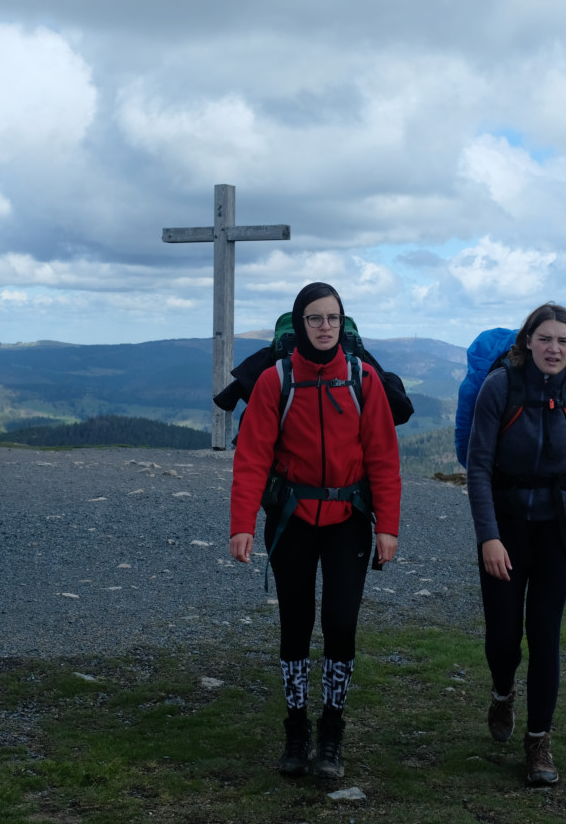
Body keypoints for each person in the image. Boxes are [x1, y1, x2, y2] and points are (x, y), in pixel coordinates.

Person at [229, 282, 401, 780]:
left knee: (342, 624)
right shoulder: (274, 381)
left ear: (343, 324)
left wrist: (387, 527)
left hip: (349, 521)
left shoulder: (363, 378)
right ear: (299, 324)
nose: (325, 327)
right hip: (292, 522)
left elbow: (384, 460)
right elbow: (253, 458)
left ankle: (332, 729)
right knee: (296, 624)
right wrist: (242, 525)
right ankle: (296, 728)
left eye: (333, 319)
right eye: (314, 318)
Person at [465, 303, 566, 786]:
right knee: (503, 638)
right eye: (545, 339)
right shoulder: (500, 387)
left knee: (545, 635)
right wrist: (488, 536)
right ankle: (501, 690)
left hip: (559, 526)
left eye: (563, 341)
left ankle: (538, 743)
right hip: (506, 527)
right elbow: (477, 466)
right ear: (527, 341)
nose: (554, 348)